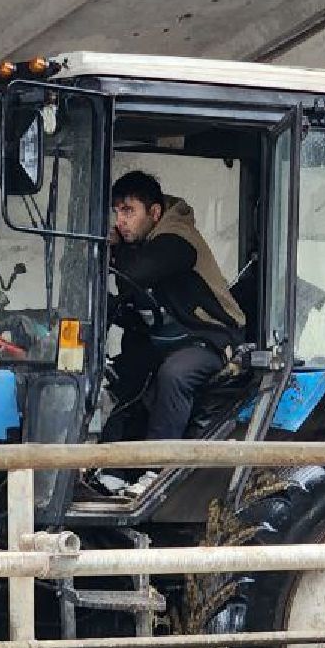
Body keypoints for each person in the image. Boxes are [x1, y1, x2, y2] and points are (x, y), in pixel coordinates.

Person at [100, 171, 248, 496]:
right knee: (128, 371)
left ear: (154, 213)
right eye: (116, 212)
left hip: (214, 339)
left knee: (175, 374)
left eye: (128, 211)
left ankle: (158, 468)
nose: (120, 221)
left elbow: (132, 276)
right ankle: (111, 469)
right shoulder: (147, 243)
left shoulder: (177, 239)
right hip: (175, 339)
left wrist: (112, 249)